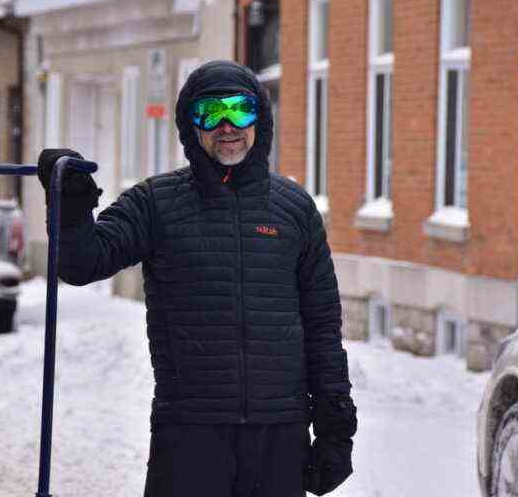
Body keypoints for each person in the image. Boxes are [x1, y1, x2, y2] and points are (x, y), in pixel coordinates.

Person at [37, 60, 356, 497]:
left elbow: (322, 327)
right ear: (191, 126)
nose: (227, 126)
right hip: (190, 434)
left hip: (279, 435)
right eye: (211, 112)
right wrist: (71, 204)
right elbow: (81, 264)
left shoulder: (294, 209)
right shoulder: (157, 203)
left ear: (260, 119)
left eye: (240, 111)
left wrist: (336, 430)